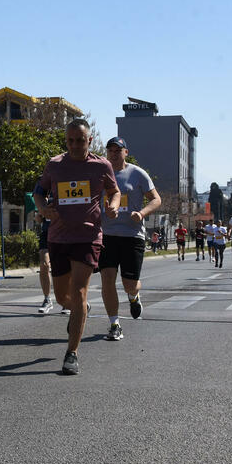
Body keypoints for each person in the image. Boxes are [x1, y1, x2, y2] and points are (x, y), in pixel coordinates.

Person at [33, 119, 119, 375]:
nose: (74, 145)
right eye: (70, 141)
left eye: (80, 141)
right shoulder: (54, 165)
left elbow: (113, 191)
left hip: (88, 236)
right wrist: (42, 208)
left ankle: (72, 353)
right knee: (63, 298)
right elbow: (39, 191)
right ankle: (80, 311)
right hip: (58, 236)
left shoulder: (101, 165)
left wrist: (113, 205)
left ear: (89, 141)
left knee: (80, 291)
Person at [97, 137, 161, 340]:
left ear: (126, 152)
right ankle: (114, 323)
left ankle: (134, 297)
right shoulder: (99, 173)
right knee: (107, 278)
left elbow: (156, 199)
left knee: (129, 284)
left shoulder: (137, 173)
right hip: (106, 234)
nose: (114, 154)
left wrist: (141, 213)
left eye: (118, 150)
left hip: (132, 235)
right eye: (111, 150)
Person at [35, 209, 55, 314]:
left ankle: (67, 301)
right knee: (44, 264)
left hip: (65, 233)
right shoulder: (44, 195)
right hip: (46, 234)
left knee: (66, 267)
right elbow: (38, 220)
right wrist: (41, 213)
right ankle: (47, 299)